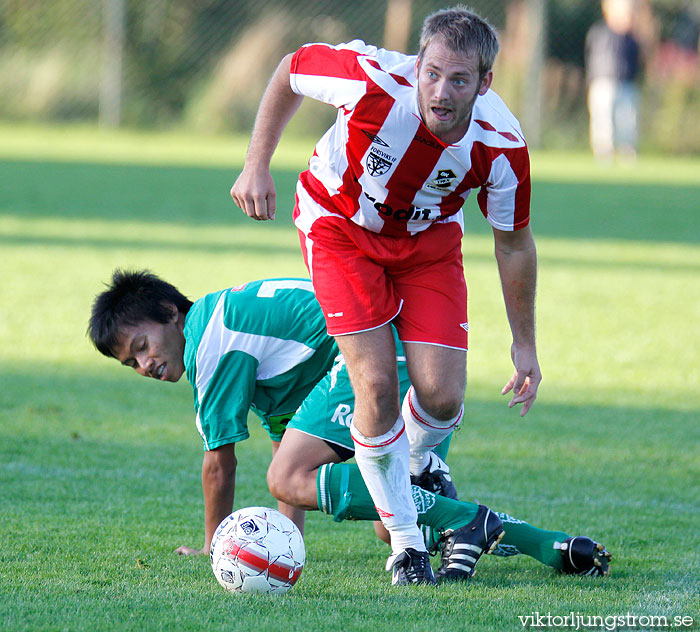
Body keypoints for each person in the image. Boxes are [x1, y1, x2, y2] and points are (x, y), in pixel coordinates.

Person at [230, 6, 541, 584]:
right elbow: (289, 69)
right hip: (339, 229)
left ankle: (416, 470)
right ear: (416, 64)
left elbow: (514, 244)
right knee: (375, 383)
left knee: (443, 397)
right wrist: (257, 164)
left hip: (427, 244)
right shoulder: (369, 77)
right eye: (432, 73)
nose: (441, 92)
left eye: (459, 80)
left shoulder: (501, 146)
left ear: (485, 83)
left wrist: (525, 344)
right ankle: (405, 544)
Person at [88, 270, 611, 583]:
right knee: (391, 524)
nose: (145, 365)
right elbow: (289, 449)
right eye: (130, 364)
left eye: (141, 346)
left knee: (295, 481)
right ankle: (555, 546)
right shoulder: (236, 326)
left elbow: (218, 466)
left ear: (169, 313)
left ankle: (468, 517)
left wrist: (214, 545)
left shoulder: (210, 341)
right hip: (414, 358)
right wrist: (283, 544)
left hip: (377, 362)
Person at [585, 0, 642, 161]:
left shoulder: (632, 39)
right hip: (602, 82)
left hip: (626, 83)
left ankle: (627, 150)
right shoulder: (598, 32)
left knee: (627, 120)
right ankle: (603, 151)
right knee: (602, 119)